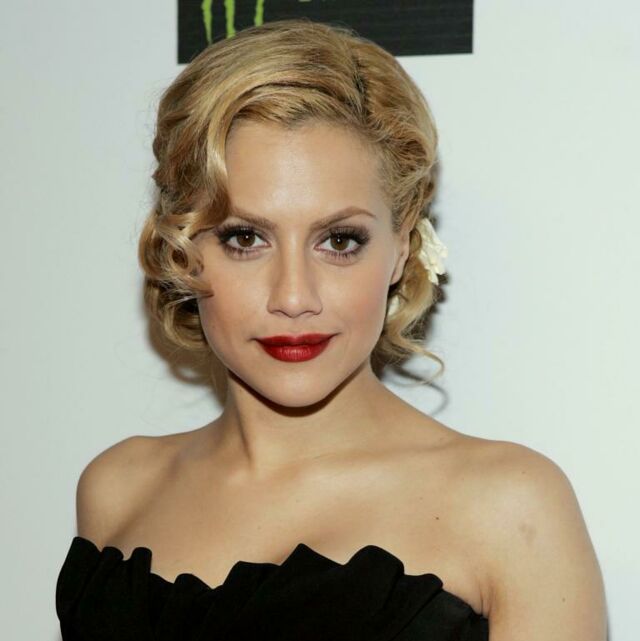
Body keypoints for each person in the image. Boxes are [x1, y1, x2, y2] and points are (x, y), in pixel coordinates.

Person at [55, 18, 607, 640]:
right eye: (245, 238)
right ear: (183, 250)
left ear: (401, 249)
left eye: (340, 241)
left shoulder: (510, 507)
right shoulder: (118, 490)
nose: (294, 297)